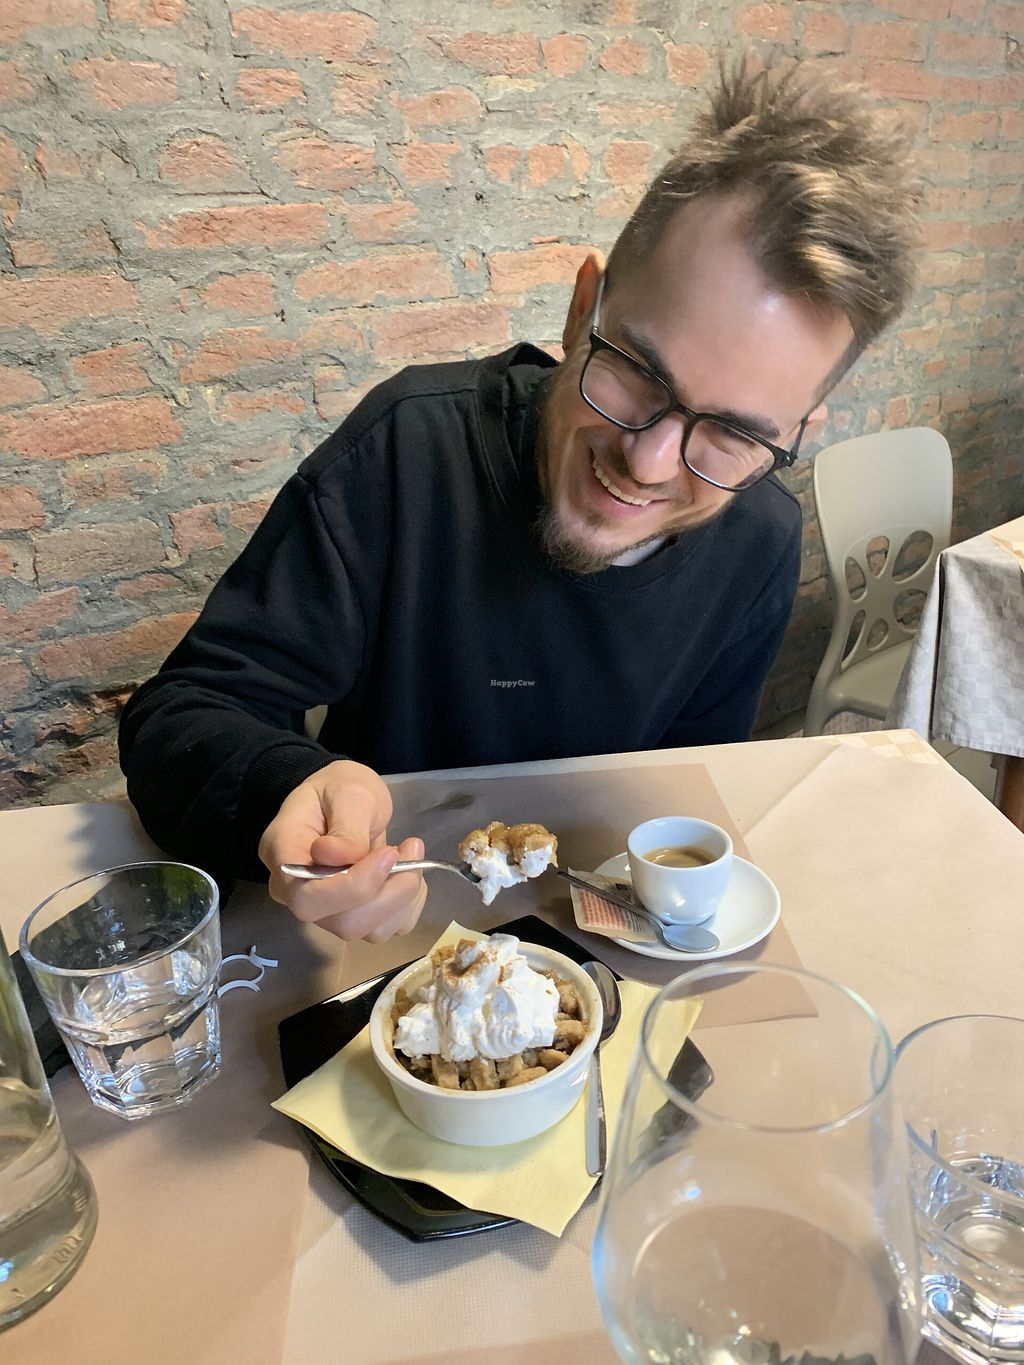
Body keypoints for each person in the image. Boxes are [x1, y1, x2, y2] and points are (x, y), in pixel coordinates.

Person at [119, 57, 921, 943]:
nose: (649, 462)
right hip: (370, 937)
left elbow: (689, 777)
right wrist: (288, 785)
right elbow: (182, 711)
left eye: (732, 432)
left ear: (796, 430)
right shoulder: (409, 451)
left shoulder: (760, 539)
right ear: (583, 309)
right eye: (637, 371)